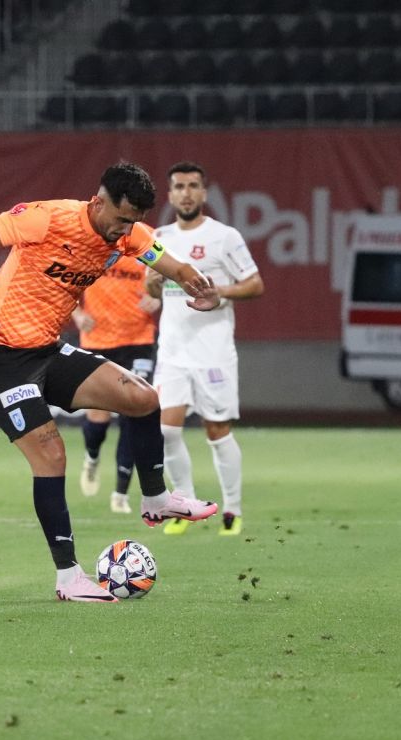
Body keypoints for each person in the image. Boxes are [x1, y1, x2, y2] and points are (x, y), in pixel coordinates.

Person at [0, 162, 219, 604]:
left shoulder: (130, 234)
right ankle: (68, 577)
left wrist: (200, 288)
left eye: (133, 221)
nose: (125, 230)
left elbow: (170, 264)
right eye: (120, 218)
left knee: (142, 398)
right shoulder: (47, 218)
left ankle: (155, 498)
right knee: (51, 453)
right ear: (98, 202)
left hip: (44, 351)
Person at [147, 161, 264, 538]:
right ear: (169, 194)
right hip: (173, 353)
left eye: (193, 186)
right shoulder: (159, 235)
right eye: (179, 186)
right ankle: (184, 504)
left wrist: (221, 292)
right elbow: (153, 291)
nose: (186, 193)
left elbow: (255, 284)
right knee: (165, 430)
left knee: (216, 429)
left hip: (213, 352)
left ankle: (232, 508)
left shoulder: (224, 237)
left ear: (204, 192)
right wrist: (151, 283)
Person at [72, 256, 160, 514]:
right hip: (97, 341)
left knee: (133, 415)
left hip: (138, 341)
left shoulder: (147, 243)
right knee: (97, 422)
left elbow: (168, 277)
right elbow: (62, 283)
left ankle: (120, 493)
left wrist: (159, 296)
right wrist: (76, 313)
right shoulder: (92, 242)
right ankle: (92, 457)